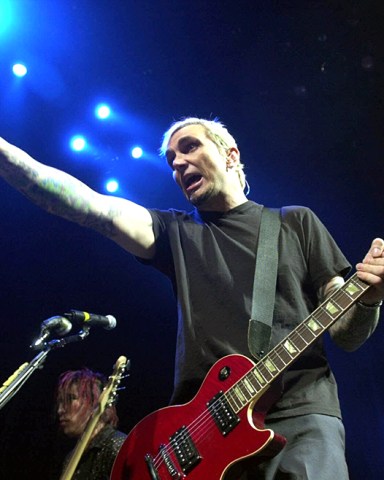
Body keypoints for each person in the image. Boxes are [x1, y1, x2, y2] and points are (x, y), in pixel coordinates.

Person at [0, 117, 383, 479]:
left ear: (230, 154)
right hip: (201, 438)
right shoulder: (175, 233)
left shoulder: (295, 223)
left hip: (300, 418)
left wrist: (368, 299)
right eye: (171, 159)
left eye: (189, 147)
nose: (178, 163)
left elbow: (346, 332)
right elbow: (91, 207)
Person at [55, 367, 127, 480]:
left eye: (70, 399)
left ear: (95, 403)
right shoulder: (71, 458)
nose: (60, 410)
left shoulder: (118, 446)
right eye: (60, 403)